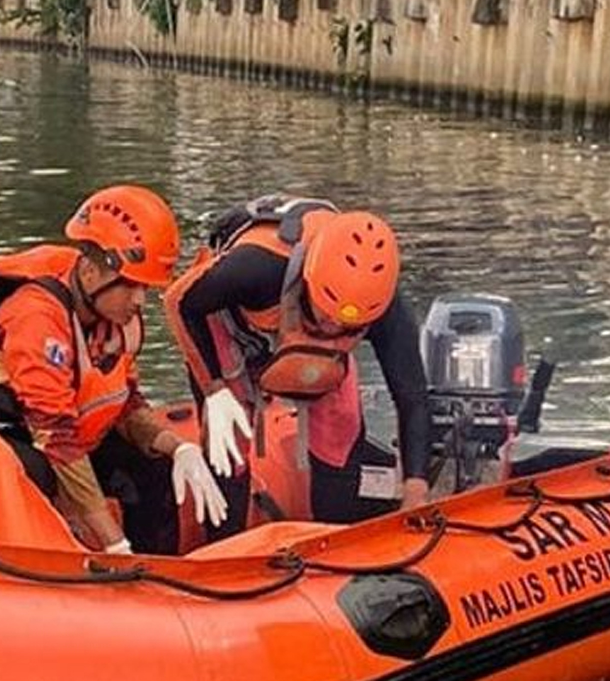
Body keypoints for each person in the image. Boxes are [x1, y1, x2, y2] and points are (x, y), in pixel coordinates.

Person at [0, 185, 225, 555]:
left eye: (145, 288)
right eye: (131, 286)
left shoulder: (111, 314)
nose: (140, 300)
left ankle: (157, 569)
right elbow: (57, 439)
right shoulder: (38, 316)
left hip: (25, 429)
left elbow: (125, 404)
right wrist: (114, 544)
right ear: (92, 271)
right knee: (38, 473)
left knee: (149, 465)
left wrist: (177, 448)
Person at [162, 195, 430, 542]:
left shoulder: (384, 303)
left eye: (347, 328)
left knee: (340, 435)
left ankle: (332, 542)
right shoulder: (256, 269)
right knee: (229, 446)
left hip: (311, 355)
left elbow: (412, 396)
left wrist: (416, 488)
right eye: (326, 315)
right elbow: (178, 301)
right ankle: (225, 548)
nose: (333, 329)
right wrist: (214, 391)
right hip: (230, 327)